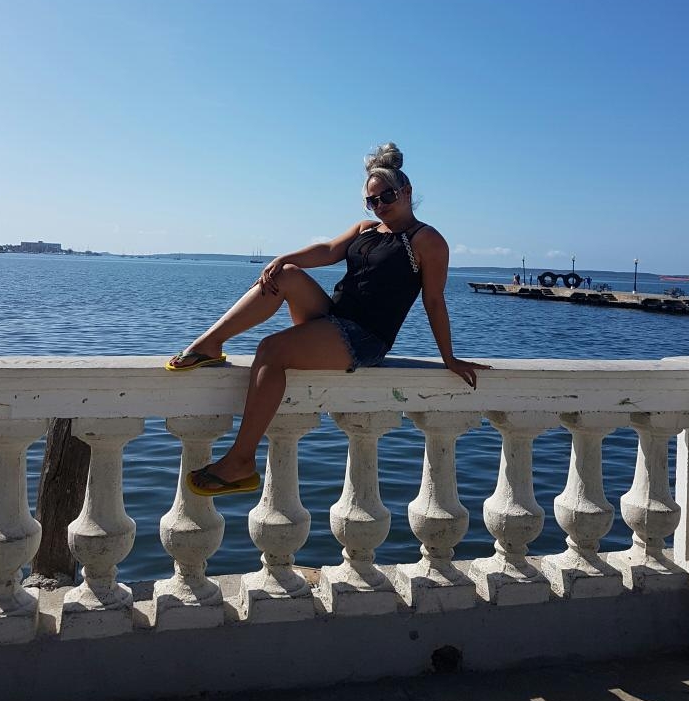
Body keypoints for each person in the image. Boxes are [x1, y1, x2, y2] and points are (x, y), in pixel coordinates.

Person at [166, 143, 489, 497]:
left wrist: (449, 358)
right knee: (286, 275)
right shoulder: (366, 229)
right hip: (334, 317)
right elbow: (328, 251)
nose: (380, 206)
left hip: (365, 337)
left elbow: (434, 301)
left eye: (387, 196)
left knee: (271, 350)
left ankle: (241, 461)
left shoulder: (426, 240)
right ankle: (210, 345)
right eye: (373, 201)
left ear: (407, 192)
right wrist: (283, 257)